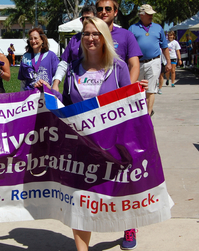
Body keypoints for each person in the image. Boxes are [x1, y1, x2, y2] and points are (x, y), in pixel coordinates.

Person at [34, 17, 147, 251]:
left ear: (104, 37)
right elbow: (66, 103)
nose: (90, 38)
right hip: (80, 146)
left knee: (118, 192)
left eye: (96, 33)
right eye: (86, 34)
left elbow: (126, 101)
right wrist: (47, 92)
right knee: (80, 201)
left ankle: (129, 225)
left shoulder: (119, 67)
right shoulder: (74, 68)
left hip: (113, 145)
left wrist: (137, 93)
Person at [129, 4, 171, 117]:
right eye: (148, 14)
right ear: (141, 15)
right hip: (138, 63)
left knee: (151, 89)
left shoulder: (158, 28)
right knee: (137, 89)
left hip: (154, 61)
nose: (151, 16)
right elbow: (128, 46)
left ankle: (148, 114)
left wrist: (168, 62)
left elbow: (164, 46)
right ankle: (139, 112)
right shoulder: (133, 28)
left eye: (152, 14)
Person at [52, 3, 97, 92]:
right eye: (82, 18)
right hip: (74, 87)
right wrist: (56, 83)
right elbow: (64, 63)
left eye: (88, 18)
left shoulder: (101, 38)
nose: (85, 21)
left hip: (94, 85)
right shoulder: (75, 39)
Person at [18, 27, 59, 91]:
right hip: (30, 96)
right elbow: (23, 81)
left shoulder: (51, 56)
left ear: (42, 40)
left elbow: (57, 76)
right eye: (31, 39)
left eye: (35, 38)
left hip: (46, 93)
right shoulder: (25, 57)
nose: (33, 41)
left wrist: (52, 90)